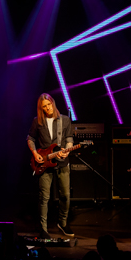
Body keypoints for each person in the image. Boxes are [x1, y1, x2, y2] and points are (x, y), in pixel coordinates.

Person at [27, 93, 74, 239]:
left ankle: (62, 223)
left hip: (62, 163)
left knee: (65, 195)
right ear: (41, 109)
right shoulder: (37, 121)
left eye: (49, 104)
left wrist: (67, 150)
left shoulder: (64, 120)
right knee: (44, 197)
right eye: (44, 107)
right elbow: (30, 138)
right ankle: (43, 229)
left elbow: (69, 138)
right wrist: (35, 153)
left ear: (53, 103)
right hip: (44, 163)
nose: (48, 108)